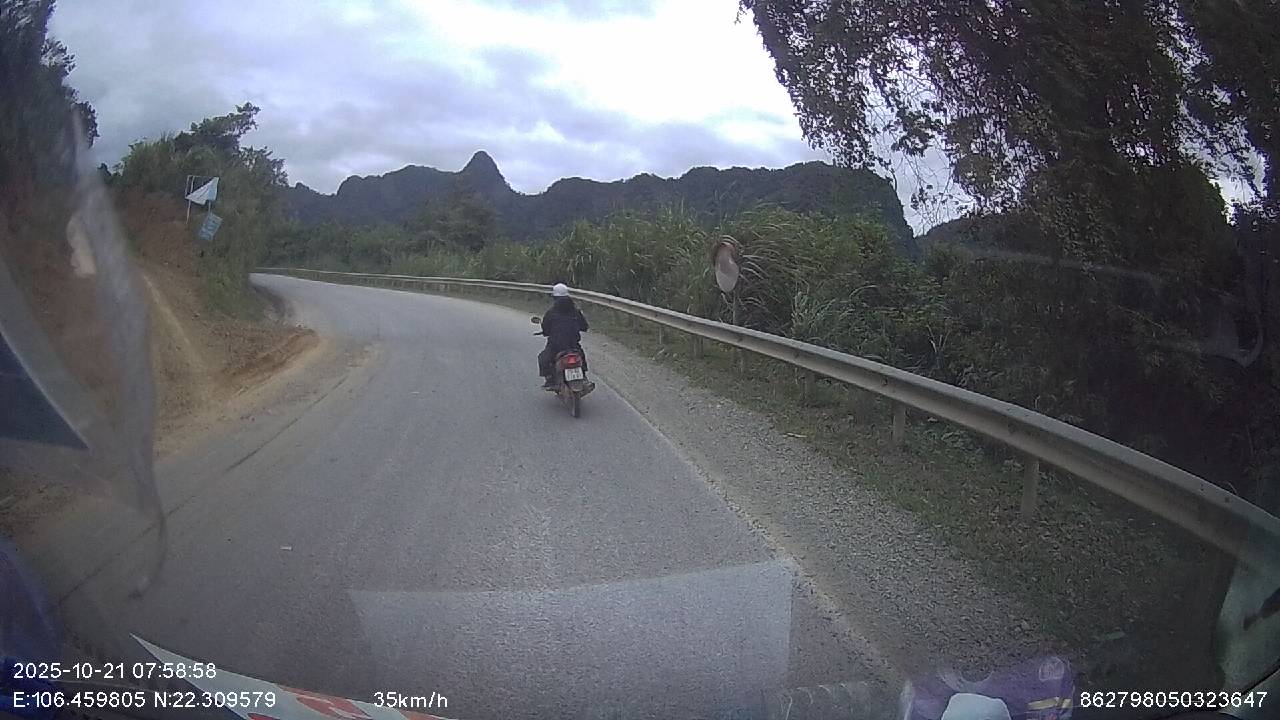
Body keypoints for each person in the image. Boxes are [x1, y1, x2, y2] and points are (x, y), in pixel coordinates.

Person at [539, 283, 589, 387]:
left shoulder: (551, 313)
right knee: (581, 356)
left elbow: (546, 329)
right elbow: (584, 326)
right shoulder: (576, 312)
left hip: (556, 346)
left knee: (543, 358)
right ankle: (583, 376)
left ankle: (550, 380)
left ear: (554, 297)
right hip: (573, 345)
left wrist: (546, 332)